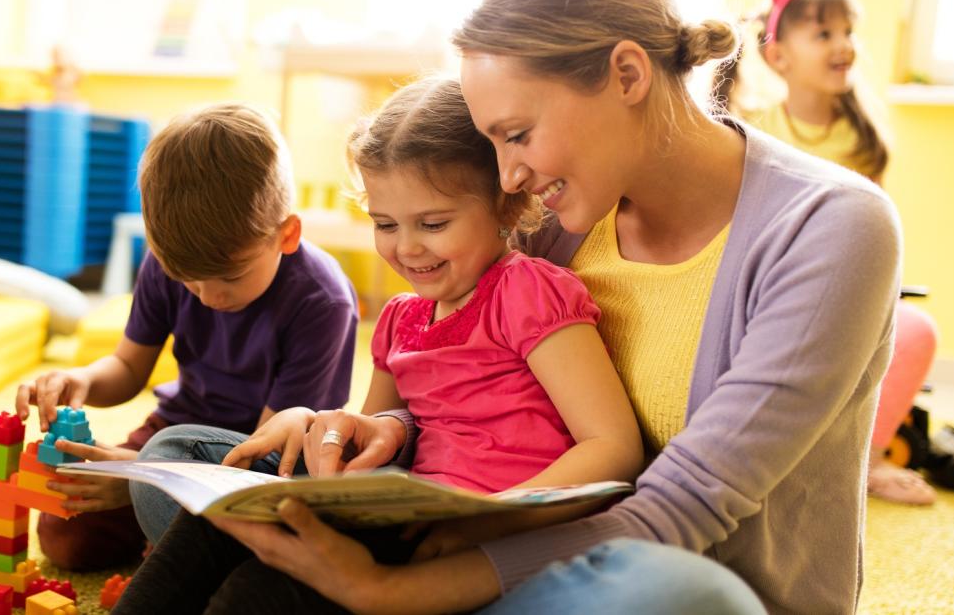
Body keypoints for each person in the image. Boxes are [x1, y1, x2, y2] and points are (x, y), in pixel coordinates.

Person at [195, 0, 900, 615]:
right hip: (499, 540)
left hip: (656, 576)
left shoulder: (832, 227)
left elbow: (685, 506)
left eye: (517, 133)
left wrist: (390, 591)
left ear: (628, 74)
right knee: (207, 458)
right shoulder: (556, 211)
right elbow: (473, 390)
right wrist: (378, 426)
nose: (508, 177)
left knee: (682, 596)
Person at [114, 76, 644, 614]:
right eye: (385, 224)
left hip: (495, 538)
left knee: (261, 592)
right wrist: (322, 430)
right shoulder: (400, 321)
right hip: (407, 519)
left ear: (506, 207)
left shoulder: (527, 292)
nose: (407, 248)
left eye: (433, 223)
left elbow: (613, 447)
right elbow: (370, 449)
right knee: (223, 512)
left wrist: (498, 515)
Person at [15, 103, 359, 570]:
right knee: (65, 535)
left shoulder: (322, 301)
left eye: (228, 278)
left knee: (231, 552)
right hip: (172, 435)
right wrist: (83, 381)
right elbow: (128, 368)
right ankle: (167, 532)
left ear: (287, 235)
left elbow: (267, 452)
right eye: (188, 282)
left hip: (262, 457)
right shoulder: (166, 265)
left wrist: (144, 479)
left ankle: (173, 537)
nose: (207, 296)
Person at [715, 0, 938, 505]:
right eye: (823, 35)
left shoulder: (864, 138)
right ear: (779, 57)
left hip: (849, 290)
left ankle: (873, 459)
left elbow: (877, 237)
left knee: (917, 331)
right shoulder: (755, 129)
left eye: (848, 32)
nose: (843, 46)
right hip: (773, 286)